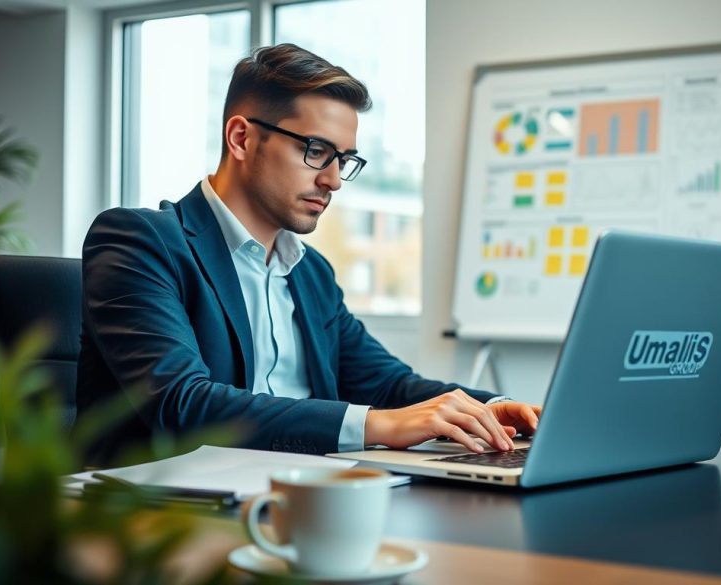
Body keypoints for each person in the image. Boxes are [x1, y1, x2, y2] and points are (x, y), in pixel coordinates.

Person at [76, 44, 541, 465]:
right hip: (162, 515)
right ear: (240, 138)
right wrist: (379, 425)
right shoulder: (140, 241)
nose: (334, 180)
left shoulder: (310, 271)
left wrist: (492, 408)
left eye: (345, 159)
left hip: (300, 492)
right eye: (317, 150)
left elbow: (389, 386)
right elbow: (183, 404)